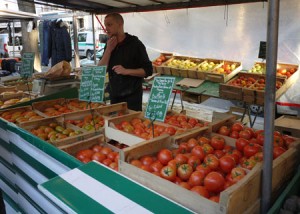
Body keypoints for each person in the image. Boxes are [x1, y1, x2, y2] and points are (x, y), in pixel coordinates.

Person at [98, 13, 153, 111]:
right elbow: (100, 70)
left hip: (132, 98)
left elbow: (148, 71)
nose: (106, 28)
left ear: (120, 24)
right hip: (114, 96)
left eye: (109, 25)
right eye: (105, 25)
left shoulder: (135, 44)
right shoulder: (109, 44)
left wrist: (126, 71)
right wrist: (108, 50)